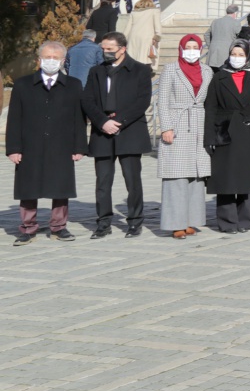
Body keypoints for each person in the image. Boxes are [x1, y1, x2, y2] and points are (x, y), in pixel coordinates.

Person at [8, 42, 85, 244]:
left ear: (62, 61)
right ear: (38, 60)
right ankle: (27, 227)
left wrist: (79, 147)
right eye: (47, 57)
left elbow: (79, 118)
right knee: (28, 187)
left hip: (61, 144)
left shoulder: (73, 85)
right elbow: (14, 118)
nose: (51, 61)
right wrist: (13, 148)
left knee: (60, 187)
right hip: (30, 144)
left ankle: (59, 227)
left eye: (55, 58)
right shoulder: (23, 84)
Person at [82, 31, 151, 238]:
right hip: (102, 132)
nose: (105, 53)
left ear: (122, 49)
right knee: (103, 182)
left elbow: (142, 101)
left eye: (110, 49)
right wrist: (103, 122)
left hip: (129, 131)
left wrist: (119, 121)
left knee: (132, 181)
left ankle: (135, 221)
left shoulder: (139, 70)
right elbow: (88, 100)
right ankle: (103, 223)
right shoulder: (96, 71)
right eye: (103, 49)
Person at [155, 34, 211, 239]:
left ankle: (191, 220)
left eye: (195, 46)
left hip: (200, 124)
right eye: (187, 46)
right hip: (178, 123)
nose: (191, 50)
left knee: (196, 176)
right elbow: (163, 100)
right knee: (176, 176)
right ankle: (175, 223)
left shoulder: (206, 70)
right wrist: (166, 127)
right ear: (181, 48)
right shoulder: (171, 69)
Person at [205, 40, 250, 233]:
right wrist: (209, 136)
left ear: (248, 56)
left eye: (240, 55)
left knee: (246, 178)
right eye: (234, 54)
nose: (236, 58)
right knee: (225, 178)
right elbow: (211, 108)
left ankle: (245, 220)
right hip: (225, 130)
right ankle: (227, 222)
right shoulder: (219, 76)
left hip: (249, 131)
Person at [122, 0, 163, 65]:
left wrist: (122, 39)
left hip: (133, 37)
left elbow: (127, 28)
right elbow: (157, 26)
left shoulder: (134, 12)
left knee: (133, 57)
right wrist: (157, 36)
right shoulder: (155, 11)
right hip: (147, 37)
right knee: (145, 58)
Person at [205, 4, 242, 68]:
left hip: (213, 51)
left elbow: (207, 34)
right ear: (236, 13)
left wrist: (210, 45)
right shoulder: (236, 23)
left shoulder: (215, 21)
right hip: (226, 52)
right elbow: (240, 36)